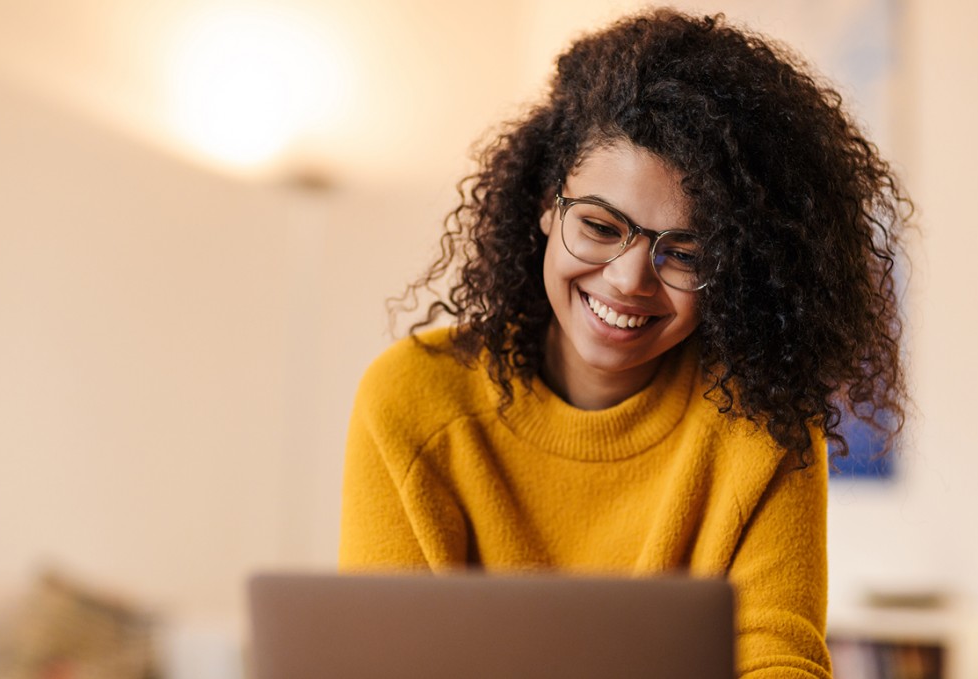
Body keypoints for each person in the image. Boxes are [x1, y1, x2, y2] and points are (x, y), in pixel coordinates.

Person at [338, 8, 911, 679]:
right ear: (547, 206)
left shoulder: (763, 425)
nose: (629, 278)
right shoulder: (411, 399)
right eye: (600, 226)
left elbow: (778, 657)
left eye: (686, 252)